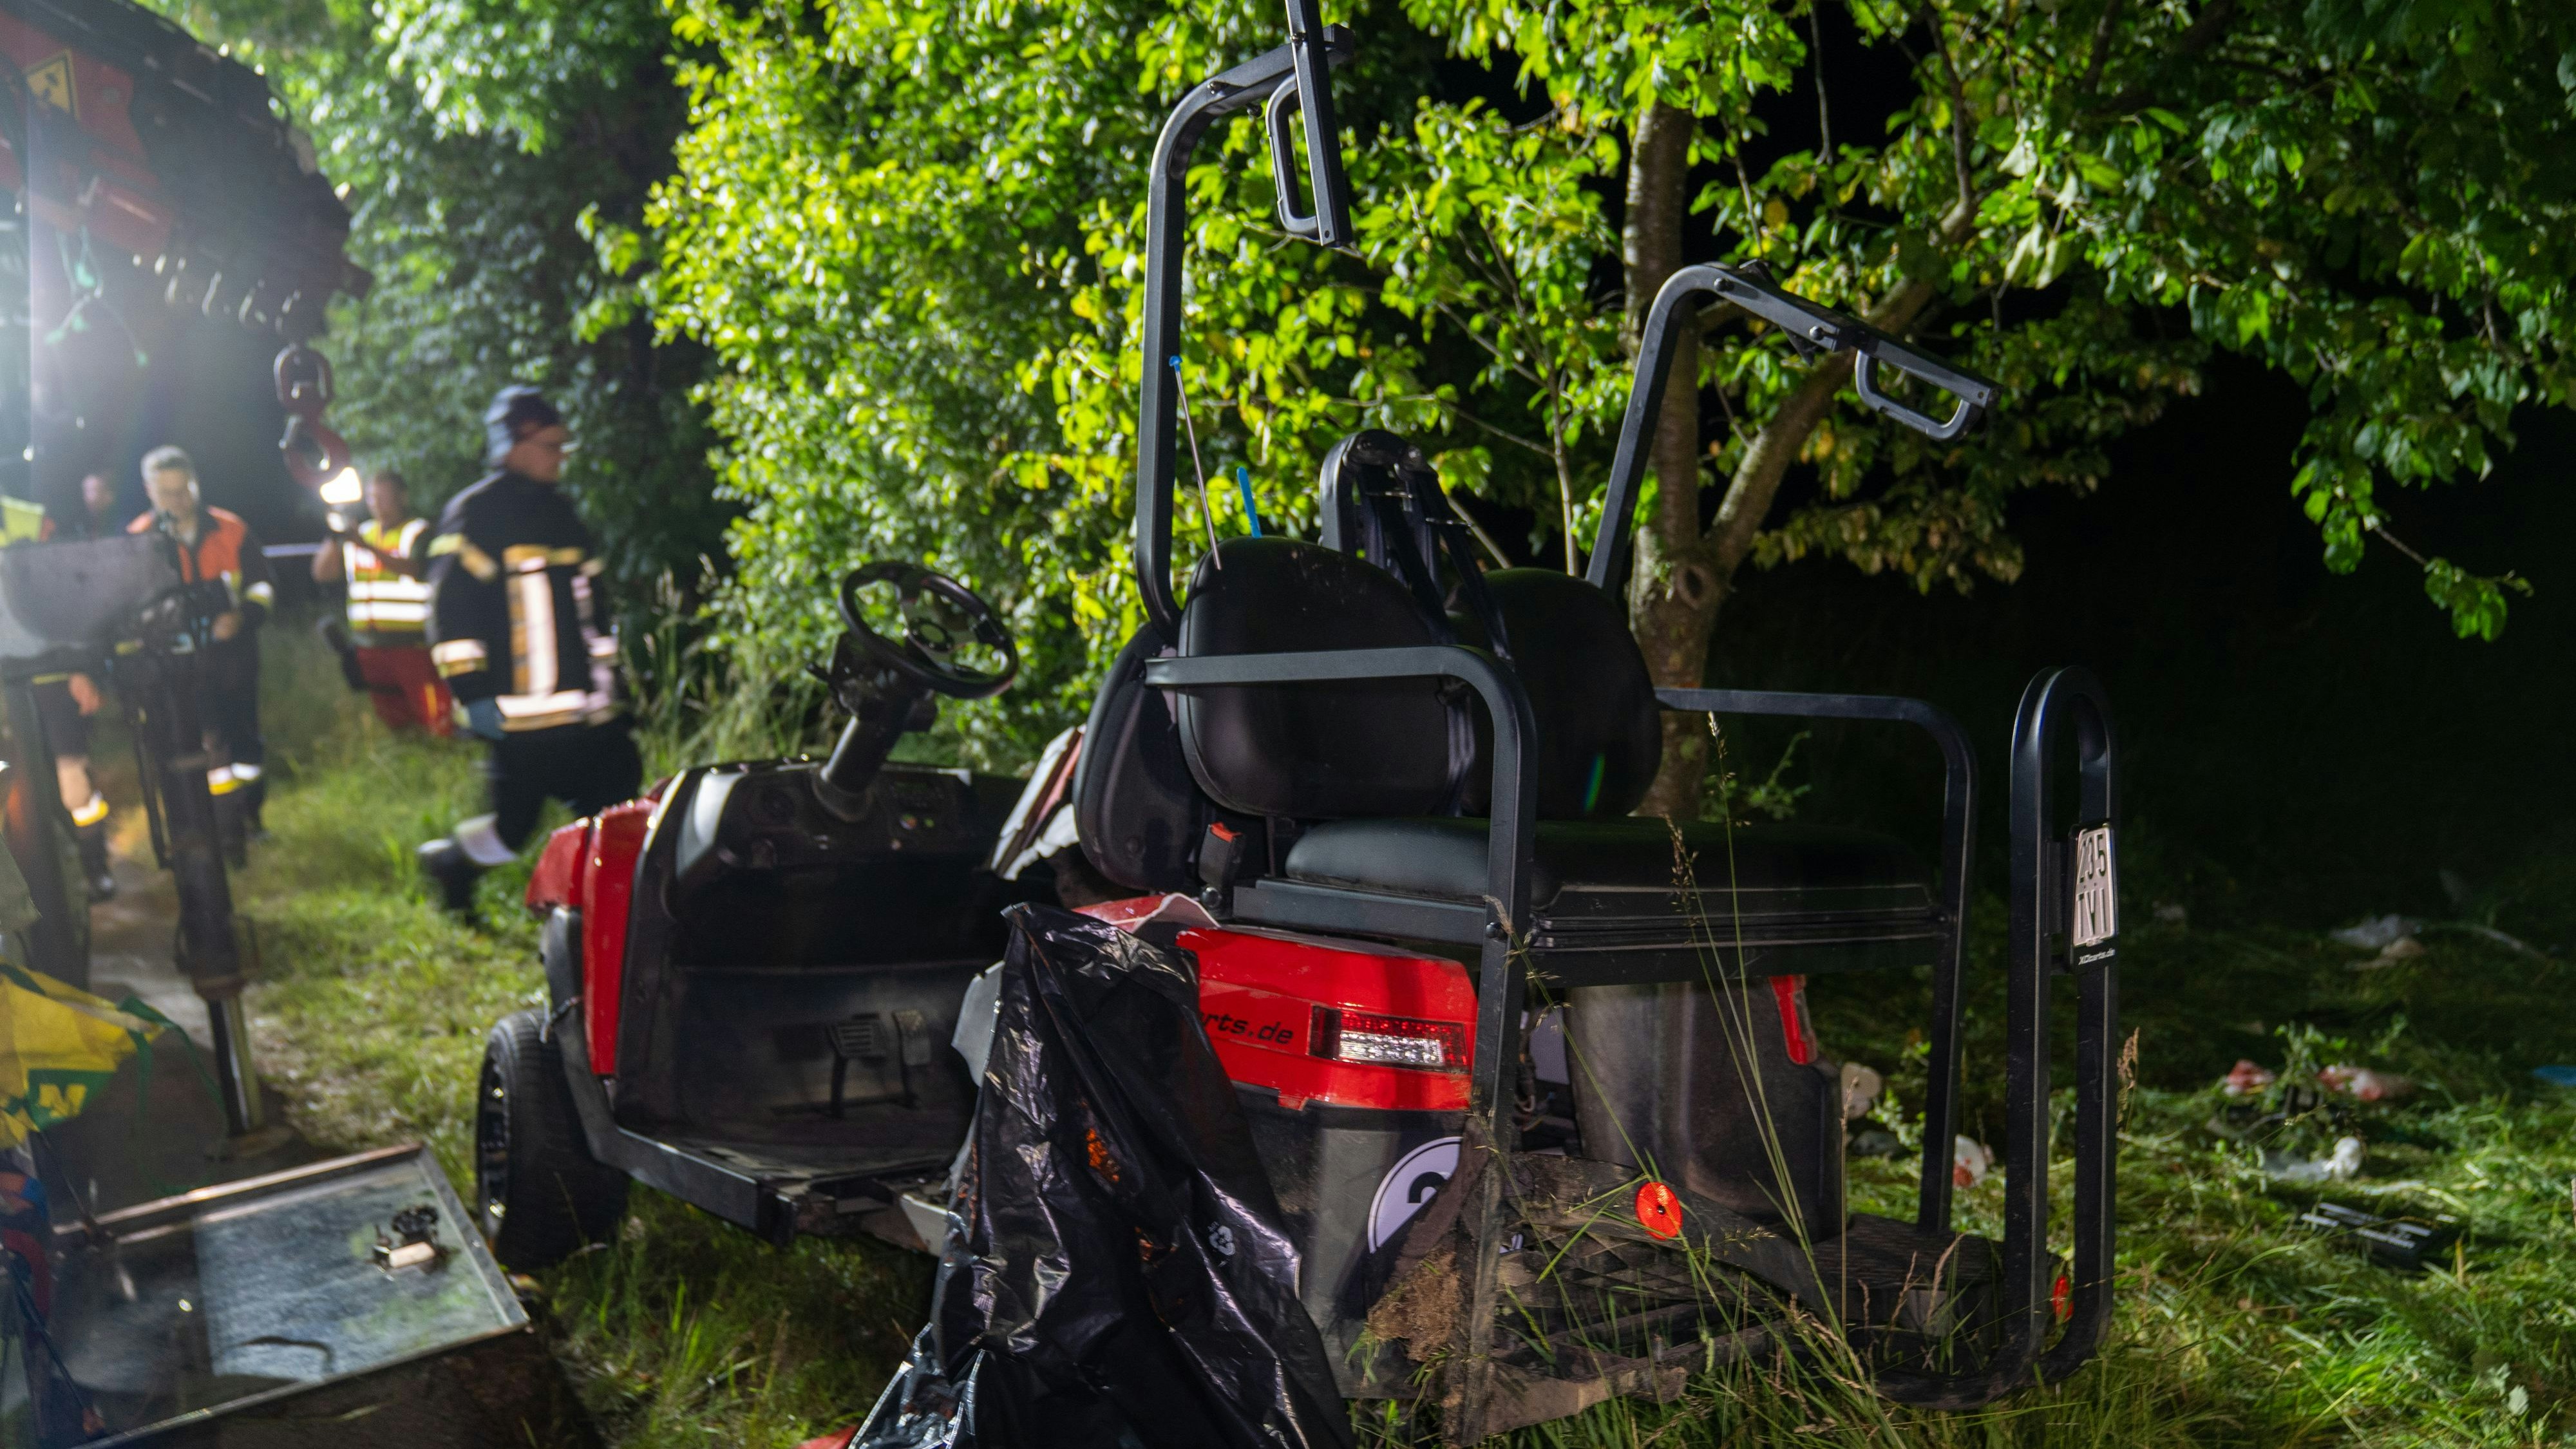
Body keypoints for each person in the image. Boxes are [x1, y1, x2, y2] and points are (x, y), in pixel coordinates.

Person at [417, 387, 639, 915]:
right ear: (514, 445)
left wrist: (614, 691)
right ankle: (451, 865)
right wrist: (473, 695)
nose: (561, 456)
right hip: (518, 723)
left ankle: (589, 914)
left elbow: (593, 610)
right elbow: (451, 615)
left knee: (614, 809)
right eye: (551, 445)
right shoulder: (477, 514)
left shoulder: (563, 513)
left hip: (586, 715)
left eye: (564, 445)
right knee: (511, 831)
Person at [128, 446, 275, 855]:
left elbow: (264, 587)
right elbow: (129, 609)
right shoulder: (138, 541)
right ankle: (224, 830)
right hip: (177, 663)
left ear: (196, 484)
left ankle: (251, 816)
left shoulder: (232, 529)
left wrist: (242, 617)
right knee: (207, 744)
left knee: (244, 739)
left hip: (234, 657)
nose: (178, 500)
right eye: (167, 493)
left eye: (184, 490)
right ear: (150, 491)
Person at [7, 480, 113, 900]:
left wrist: (80, 667)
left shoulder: (28, 521)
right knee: (15, 794)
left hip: (51, 676)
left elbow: (69, 597)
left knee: (74, 784)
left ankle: (94, 869)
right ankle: (32, 891)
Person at [312, 468, 450, 735]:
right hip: (369, 647)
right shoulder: (362, 532)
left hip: (412, 646)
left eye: (384, 497)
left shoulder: (418, 531)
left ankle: (442, 754)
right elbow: (322, 574)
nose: (377, 504)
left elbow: (414, 568)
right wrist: (334, 535)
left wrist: (366, 547)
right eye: (373, 498)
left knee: (435, 717)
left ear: (402, 497)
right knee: (393, 721)